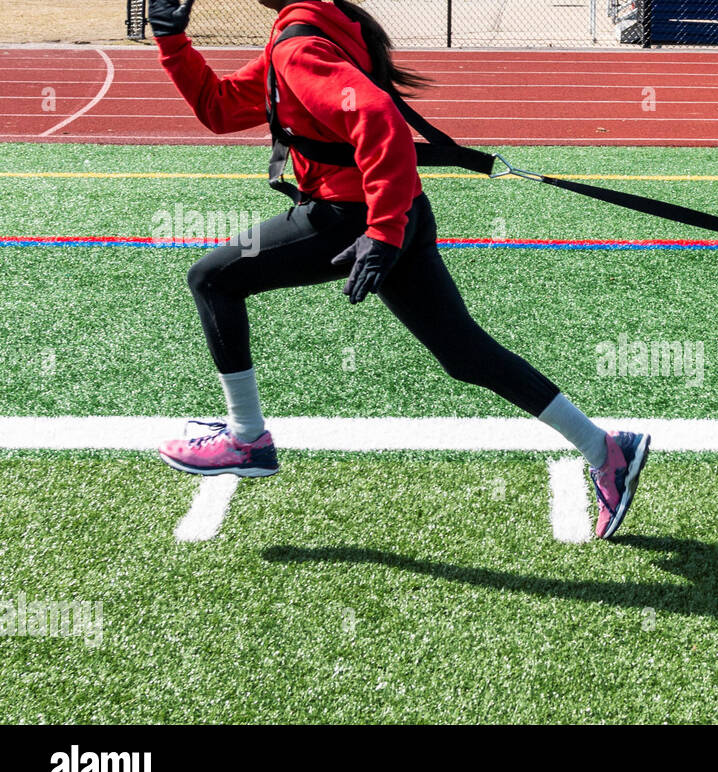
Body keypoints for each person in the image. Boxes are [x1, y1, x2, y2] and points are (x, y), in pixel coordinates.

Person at [147, 0, 648, 538]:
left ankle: (246, 438)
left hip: (353, 218)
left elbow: (377, 115)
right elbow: (221, 110)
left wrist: (381, 232)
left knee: (212, 278)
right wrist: (173, 43)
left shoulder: (298, 45)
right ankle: (606, 449)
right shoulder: (315, 26)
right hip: (398, 208)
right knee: (464, 353)